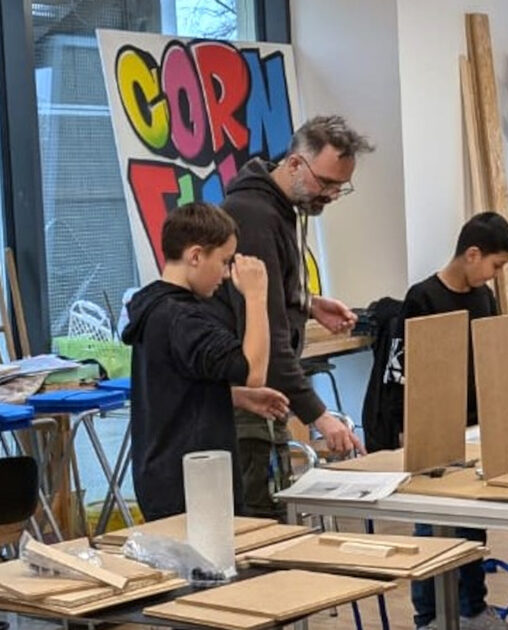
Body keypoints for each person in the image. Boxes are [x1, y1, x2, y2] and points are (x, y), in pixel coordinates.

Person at [217, 115, 374, 518]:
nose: (332, 195)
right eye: (326, 183)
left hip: (265, 395)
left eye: (341, 187)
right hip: (248, 398)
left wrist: (308, 302)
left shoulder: (281, 207)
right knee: (259, 524)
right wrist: (319, 416)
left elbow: (268, 289)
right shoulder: (253, 215)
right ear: (293, 164)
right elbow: (264, 325)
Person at [387, 212, 508, 630]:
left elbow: (492, 355)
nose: (496, 275)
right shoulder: (422, 297)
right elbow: (403, 369)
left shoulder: (484, 298)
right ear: (472, 254)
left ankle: (472, 608)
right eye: (495, 266)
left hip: (476, 424)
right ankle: (430, 615)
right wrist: (409, 433)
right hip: (435, 426)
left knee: (472, 525)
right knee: (433, 527)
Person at [122, 202, 289, 521]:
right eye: (224, 262)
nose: (226, 275)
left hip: (166, 477)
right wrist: (255, 297)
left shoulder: (157, 309)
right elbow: (254, 371)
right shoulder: (183, 319)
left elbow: (173, 390)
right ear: (196, 256)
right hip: (190, 485)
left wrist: (236, 397)